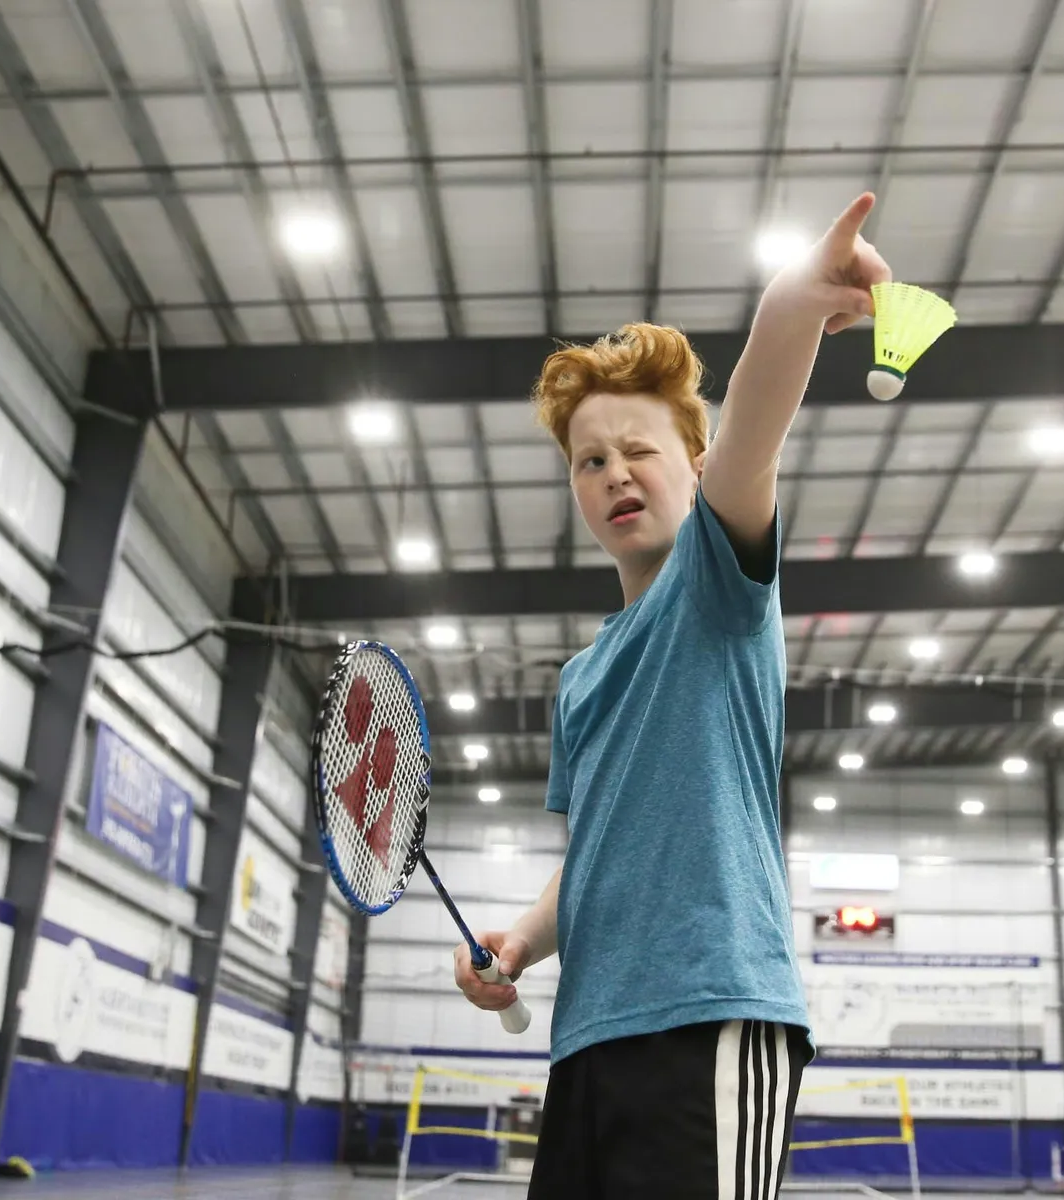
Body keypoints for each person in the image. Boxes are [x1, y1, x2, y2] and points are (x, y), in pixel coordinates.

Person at [450, 193, 892, 1199]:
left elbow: (752, 437)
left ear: (694, 469)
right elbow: (594, 855)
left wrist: (795, 301)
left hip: (709, 1017)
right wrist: (522, 939)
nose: (615, 473)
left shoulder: (714, 589)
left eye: (639, 451)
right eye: (590, 461)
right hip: (588, 1036)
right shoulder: (579, 681)